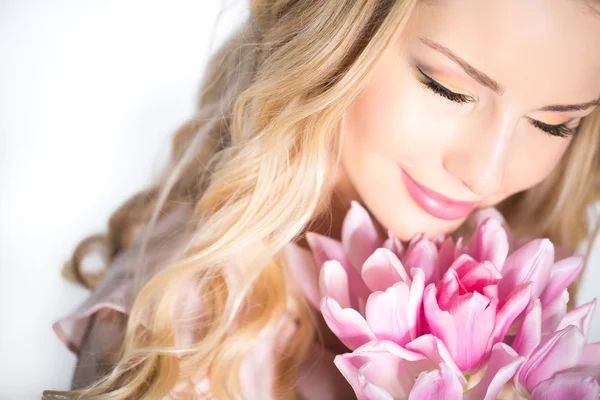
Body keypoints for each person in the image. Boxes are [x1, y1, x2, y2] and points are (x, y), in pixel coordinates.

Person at [43, 0, 600, 399]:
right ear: (335, 43)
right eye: (446, 87)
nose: (486, 175)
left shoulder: (514, 297)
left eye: (554, 124)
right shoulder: (192, 325)